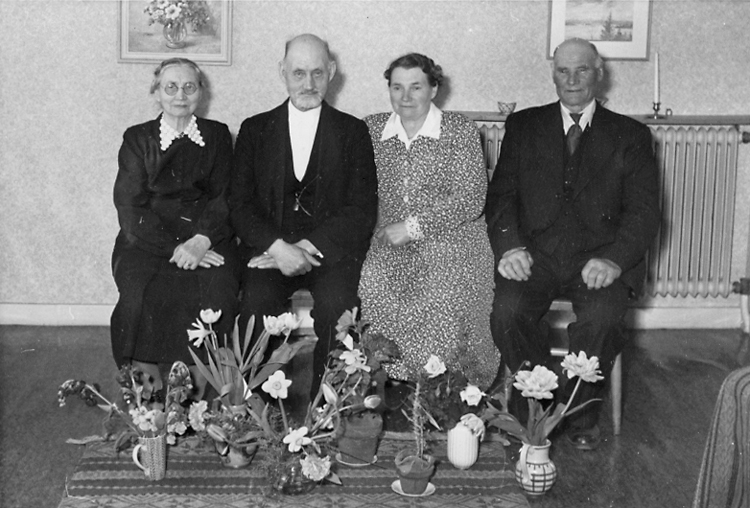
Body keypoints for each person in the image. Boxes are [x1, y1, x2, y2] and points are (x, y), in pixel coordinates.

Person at [486, 38, 660, 449]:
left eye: (582, 70)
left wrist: (615, 260)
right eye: (563, 71)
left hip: (599, 261)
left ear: (599, 74)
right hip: (536, 256)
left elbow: (644, 212)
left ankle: (579, 414)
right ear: (553, 75)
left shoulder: (631, 135)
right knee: (507, 313)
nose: (572, 79)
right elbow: (502, 197)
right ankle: (538, 403)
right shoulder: (524, 126)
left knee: (602, 320)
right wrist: (510, 247)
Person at [230, 34, 378, 399]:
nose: (308, 83)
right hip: (271, 252)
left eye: (317, 73)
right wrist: (278, 248)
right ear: (282, 72)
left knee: (339, 308)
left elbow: (361, 210)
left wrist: (308, 247)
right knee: (256, 305)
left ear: (332, 72)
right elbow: (240, 205)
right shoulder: (254, 129)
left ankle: (326, 409)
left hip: (330, 252)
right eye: (298, 73)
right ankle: (257, 409)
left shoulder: (353, 132)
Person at [358, 53, 501, 389]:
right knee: (375, 283)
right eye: (397, 87)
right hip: (389, 238)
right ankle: (390, 382)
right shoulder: (371, 129)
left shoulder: (459, 130)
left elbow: (471, 198)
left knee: (442, 292)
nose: (405, 97)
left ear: (434, 89)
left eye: (416, 87)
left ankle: (444, 389)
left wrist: (413, 228)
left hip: (453, 236)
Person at [110, 58, 239, 398]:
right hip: (147, 240)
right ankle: (147, 394)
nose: (180, 95)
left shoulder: (218, 135)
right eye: (170, 87)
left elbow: (224, 197)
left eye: (189, 87)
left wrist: (201, 240)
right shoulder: (137, 138)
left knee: (217, 290)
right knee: (140, 295)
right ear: (156, 93)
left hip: (209, 238)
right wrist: (175, 248)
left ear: (201, 93)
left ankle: (199, 393)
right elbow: (130, 206)